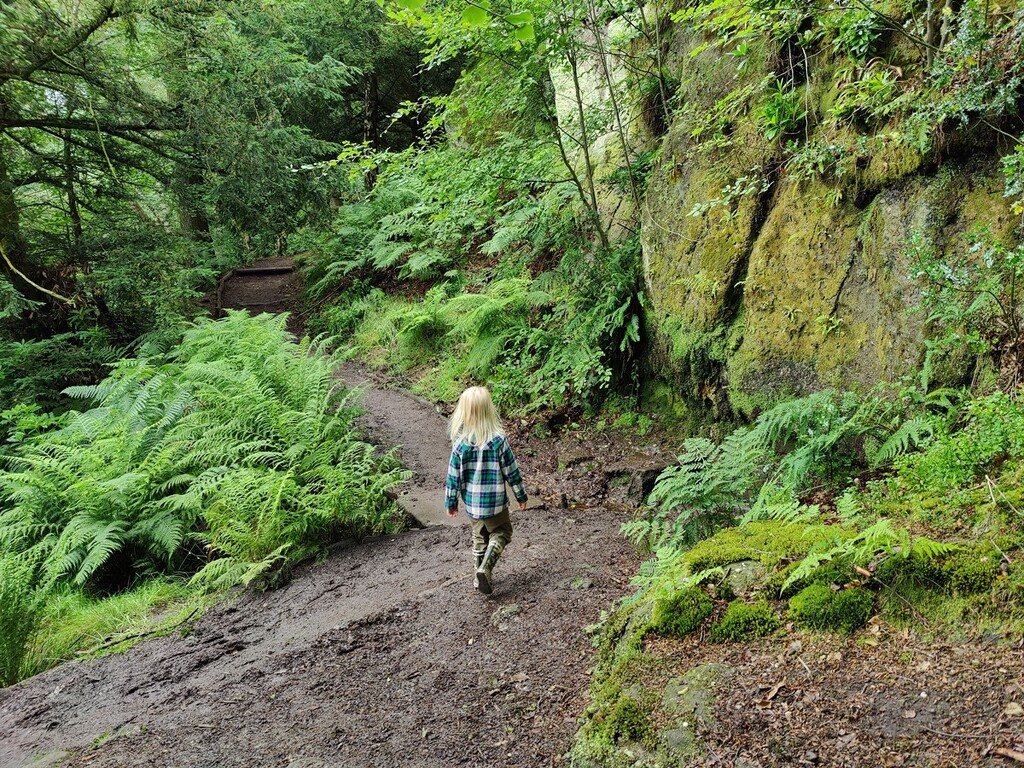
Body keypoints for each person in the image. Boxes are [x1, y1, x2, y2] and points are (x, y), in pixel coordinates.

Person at [445, 386, 528, 595]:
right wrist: (520, 495)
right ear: (488, 410)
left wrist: (451, 503)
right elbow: (512, 471)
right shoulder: (498, 441)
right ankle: (485, 568)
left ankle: (477, 577)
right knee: (502, 532)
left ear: (463, 412)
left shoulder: (460, 444)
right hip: (496, 503)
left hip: (472, 505)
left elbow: (453, 477)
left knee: (479, 537)